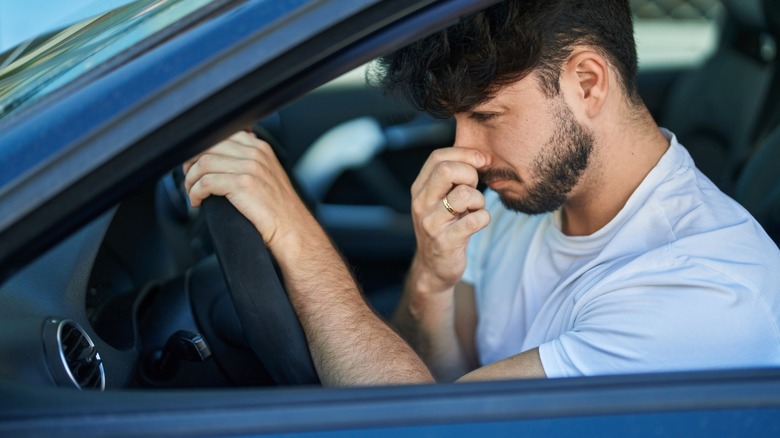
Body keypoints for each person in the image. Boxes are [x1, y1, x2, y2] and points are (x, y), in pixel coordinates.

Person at [184, 0, 780, 385]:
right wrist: (431, 280)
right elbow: (440, 371)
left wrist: (294, 236)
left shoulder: (700, 290)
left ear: (588, 82)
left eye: (487, 115)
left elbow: (425, 428)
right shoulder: (525, 199)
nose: (464, 153)